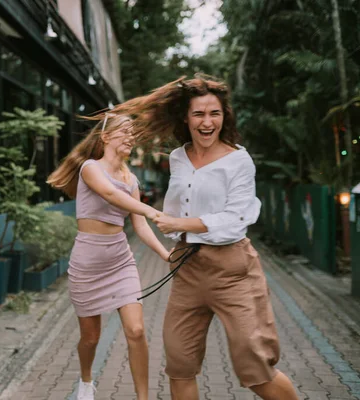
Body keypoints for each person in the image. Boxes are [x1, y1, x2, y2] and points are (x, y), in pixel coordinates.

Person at [111, 74, 299, 400]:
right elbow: (174, 208)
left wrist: (182, 222)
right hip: (187, 268)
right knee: (179, 364)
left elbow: (237, 218)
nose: (207, 122)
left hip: (233, 270)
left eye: (215, 113)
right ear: (186, 117)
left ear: (224, 117)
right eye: (199, 114)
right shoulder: (178, 158)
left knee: (256, 369)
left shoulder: (239, 160)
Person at [47, 113, 170, 400]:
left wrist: (166, 255)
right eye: (124, 132)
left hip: (120, 262)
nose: (130, 137)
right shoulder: (91, 168)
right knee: (90, 338)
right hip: (87, 265)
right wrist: (151, 210)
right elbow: (111, 196)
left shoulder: (131, 179)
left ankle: (143, 397)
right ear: (105, 137)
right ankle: (87, 381)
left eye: (132, 133)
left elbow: (139, 226)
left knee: (136, 330)